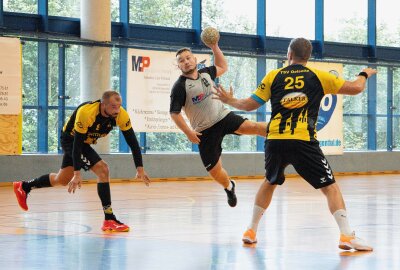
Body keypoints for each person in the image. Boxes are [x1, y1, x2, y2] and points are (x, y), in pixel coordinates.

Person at [213, 37, 377, 251]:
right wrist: (365, 73)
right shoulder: (319, 76)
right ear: (308, 57)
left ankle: (251, 230)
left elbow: (249, 105)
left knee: (269, 182)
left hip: (275, 140)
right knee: (330, 187)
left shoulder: (274, 75)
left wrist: (229, 101)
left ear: (289, 54)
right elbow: (356, 88)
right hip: (303, 141)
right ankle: (346, 235)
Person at [13, 90, 150, 232]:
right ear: (103, 104)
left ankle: (24, 186)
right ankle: (109, 218)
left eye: (119, 106)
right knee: (103, 170)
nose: (118, 110)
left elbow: (133, 143)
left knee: (62, 179)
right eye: (114, 107)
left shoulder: (121, 115)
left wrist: (139, 167)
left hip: (83, 143)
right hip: (71, 140)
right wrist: (77, 173)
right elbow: (77, 145)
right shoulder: (87, 113)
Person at [170, 43, 267, 207]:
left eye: (188, 58)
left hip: (223, 116)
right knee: (215, 173)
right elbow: (174, 113)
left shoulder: (206, 72)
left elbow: (222, 66)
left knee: (254, 127)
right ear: (178, 65)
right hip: (204, 131)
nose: (186, 62)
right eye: (181, 60)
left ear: (194, 59)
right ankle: (229, 187)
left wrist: (214, 46)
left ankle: (284, 134)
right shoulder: (179, 87)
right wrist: (188, 132)